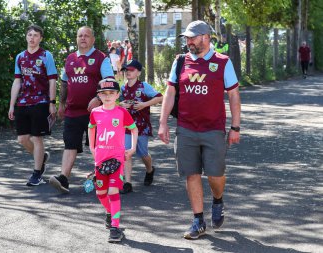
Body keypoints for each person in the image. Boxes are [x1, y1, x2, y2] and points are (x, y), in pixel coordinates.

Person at [158, 20, 241, 239]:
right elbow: (170, 93)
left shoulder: (223, 62)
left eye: (192, 38)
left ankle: (217, 199)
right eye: (186, 38)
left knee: (215, 174)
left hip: (213, 129)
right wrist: (163, 122)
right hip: (185, 128)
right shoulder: (180, 62)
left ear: (206, 37)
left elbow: (233, 95)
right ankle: (198, 220)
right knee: (191, 173)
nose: (188, 42)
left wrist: (235, 127)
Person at [49, 26, 114, 193]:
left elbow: (109, 82)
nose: (83, 38)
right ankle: (63, 178)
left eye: (86, 36)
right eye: (80, 36)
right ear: (76, 39)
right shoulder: (70, 59)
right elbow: (64, 83)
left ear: (93, 39)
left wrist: (99, 98)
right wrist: (61, 103)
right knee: (70, 144)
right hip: (72, 111)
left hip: (96, 112)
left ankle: (104, 177)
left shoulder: (101, 58)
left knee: (98, 146)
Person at [88, 78, 138, 242]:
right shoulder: (95, 112)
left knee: (113, 191)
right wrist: (92, 148)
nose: (107, 96)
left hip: (117, 158)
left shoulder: (122, 112)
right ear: (99, 95)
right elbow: (91, 128)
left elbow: (133, 129)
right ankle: (110, 212)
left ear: (117, 95)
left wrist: (132, 148)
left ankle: (115, 228)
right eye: (104, 93)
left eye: (111, 93)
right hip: (100, 159)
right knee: (100, 193)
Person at [8, 24, 58, 186]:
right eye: (29, 35)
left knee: (37, 137)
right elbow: (17, 81)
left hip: (41, 101)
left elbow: (52, 80)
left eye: (36, 35)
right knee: (22, 139)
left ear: (40, 38)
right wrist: (11, 105)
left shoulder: (46, 56)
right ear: (26, 37)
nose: (32, 38)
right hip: (23, 102)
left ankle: (37, 174)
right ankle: (42, 157)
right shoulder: (20, 57)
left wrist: (52, 102)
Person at [118, 59, 163, 194]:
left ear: (138, 72)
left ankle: (150, 170)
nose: (128, 72)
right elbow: (120, 101)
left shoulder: (144, 86)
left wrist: (144, 104)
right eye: (126, 70)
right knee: (126, 153)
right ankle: (128, 183)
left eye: (131, 70)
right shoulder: (123, 87)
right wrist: (122, 105)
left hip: (142, 125)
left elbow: (160, 97)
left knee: (143, 153)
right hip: (127, 125)